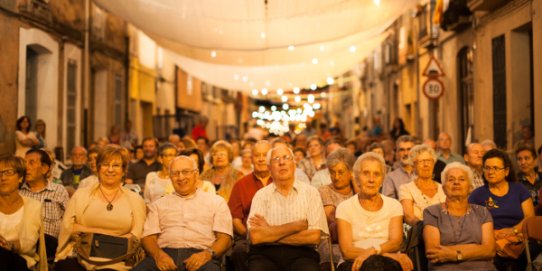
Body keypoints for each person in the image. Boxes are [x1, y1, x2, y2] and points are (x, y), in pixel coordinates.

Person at [55, 145, 146, 271]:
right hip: (82, 255)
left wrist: (90, 233)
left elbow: (136, 236)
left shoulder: (135, 200)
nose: (110, 170)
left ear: (124, 170)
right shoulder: (81, 194)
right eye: (105, 164)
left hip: (119, 259)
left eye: (116, 165)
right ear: (98, 168)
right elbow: (69, 227)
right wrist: (107, 233)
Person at [133, 156, 232, 271]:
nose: (181, 177)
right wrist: (158, 255)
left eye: (185, 172)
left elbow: (225, 238)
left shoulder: (216, 202)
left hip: (202, 255)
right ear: (170, 177)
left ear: (196, 173)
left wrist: (206, 254)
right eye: (175, 173)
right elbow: (148, 237)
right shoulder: (158, 204)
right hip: (165, 255)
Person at [247, 145, 329, 271]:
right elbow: (256, 237)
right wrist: (295, 226)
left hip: (302, 254)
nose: (281, 162)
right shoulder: (261, 195)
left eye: (286, 158)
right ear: (269, 168)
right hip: (265, 254)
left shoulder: (311, 193)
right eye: (276, 159)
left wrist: (270, 231)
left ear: (294, 165)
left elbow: (314, 237)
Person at [336, 152, 412, 271]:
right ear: (357, 178)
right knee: (373, 264)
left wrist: (373, 252)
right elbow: (347, 251)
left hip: (388, 264)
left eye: (376, 174)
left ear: (382, 179)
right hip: (353, 263)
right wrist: (384, 254)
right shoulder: (344, 207)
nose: (371, 179)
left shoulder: (394, 205)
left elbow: (395, 243)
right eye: (366, 173)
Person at [469, 149, 535, 271]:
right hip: (491, 240)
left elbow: (529, 217)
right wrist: (493, 234)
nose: (490, 172)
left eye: (495, 168)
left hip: (520, 238)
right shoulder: (476, 195)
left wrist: (512, 231)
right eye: (487, 168)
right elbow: (472, 223)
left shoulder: (519, 189)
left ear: (506, 171)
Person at [423, 162, 496, 270]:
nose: (456, 182)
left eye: (462, 179)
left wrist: (453, 254)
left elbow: (489, 250)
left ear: (470, 188)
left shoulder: (483, 212)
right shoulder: (432, 212)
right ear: (443, 188)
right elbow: (434, 252)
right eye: (451, 179)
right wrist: (477, 249)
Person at [227, 140, 273, 271]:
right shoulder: (241, 184)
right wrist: (248, 235)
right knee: (239, 251)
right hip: (248, 236)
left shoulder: (280, 182)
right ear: (251, 159)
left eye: (264, 155)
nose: (260, 159)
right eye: (257, 155)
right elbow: (235, 220)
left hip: (279, 235)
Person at [20, 149, 69, 260]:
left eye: (31, 163)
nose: (26, 167)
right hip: (22, 240)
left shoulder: (58, 191)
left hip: (49, 242)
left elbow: (69, 220)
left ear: (44, 168)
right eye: (24, 163)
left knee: (41, 239)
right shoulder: (19, 191)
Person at [0, 155, 47, 271]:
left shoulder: (33, 206)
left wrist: (10, 246)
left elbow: (29, 242)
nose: (3, 177)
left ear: (20, 177)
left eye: (9, 172)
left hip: (20, 261)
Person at [317, 148, 356, 271]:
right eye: (332, 172)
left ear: (351, 172)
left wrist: (355, 182)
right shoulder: (324, 190)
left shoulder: (358, 191)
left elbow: (364, 204)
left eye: (341, 172)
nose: (336, 177)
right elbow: (331, 219)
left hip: (359, 240)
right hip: (333, 243)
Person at [400, 144, 446, 226]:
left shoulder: (443, 188)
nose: (426, 165)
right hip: (419, 233)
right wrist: (427, 229)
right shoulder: (406, 188)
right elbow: (409, 217)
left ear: (433, 163)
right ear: (413, 166)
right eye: (421, 162)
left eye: (429, 161)